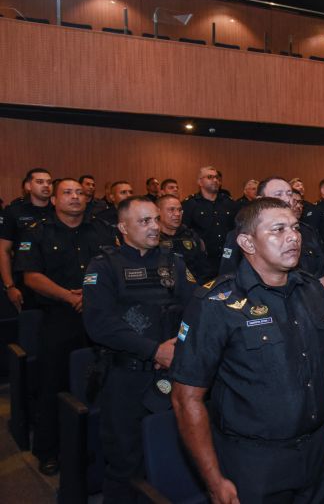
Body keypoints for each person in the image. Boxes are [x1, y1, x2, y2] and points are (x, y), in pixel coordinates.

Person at [170, 198, 324, 503]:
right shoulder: (216, 304)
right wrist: (214, 480)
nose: (293, 237)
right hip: (254, 461)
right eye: (278, 230)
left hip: (315, 450)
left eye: (294, 228)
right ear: (247, 242)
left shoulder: (313, 289)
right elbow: (187, 398)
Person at [82, 196, 195, 501]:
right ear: (122, 227)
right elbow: (100, 324)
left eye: (156, 219)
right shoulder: (103, 267)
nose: (154, 227)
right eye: (144, 221)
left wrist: (178, 345)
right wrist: (153, 350)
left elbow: (195, 309)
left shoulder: (173, 261)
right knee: (126, 464)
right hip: (126, 379)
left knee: (175, 455)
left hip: (173, 373)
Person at [14, 178, 109, 474]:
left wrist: (91, 295)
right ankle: (49, 450)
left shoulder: (101, 230)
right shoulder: (37, 233)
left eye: (80, 192)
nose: (75, 197)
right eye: (67, 192)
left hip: (98, 314)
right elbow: (31, 277)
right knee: (54, 383)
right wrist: (69, 296)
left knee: (102, 382)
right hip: (58, 317)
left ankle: (98, 448)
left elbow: (112, 267)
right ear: (54, 200)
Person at [219, 177, 324, 289]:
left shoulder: (306, 231)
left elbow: (320, 273)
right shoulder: (241, 236)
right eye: (278, 194)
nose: (287, 199)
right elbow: (228, 276)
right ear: (260, 199)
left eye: (289, 194)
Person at [0, 168, 53, 313]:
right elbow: (3, 250)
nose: (46, 185)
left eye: (49, 182)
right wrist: (9, 286)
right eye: (40, 182)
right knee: (31, 329)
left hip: (55, 280)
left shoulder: (58, 210)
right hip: (25, 282)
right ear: (28, 186)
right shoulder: (14, 212)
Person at [182, 166, 239, 274]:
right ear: (200, 182)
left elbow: (237, 228)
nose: (215, 180)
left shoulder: (229, 203)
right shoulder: (190, 204)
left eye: (217, 178)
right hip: (202, 262)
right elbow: (184, 230)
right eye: (210, 177)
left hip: (227, 259)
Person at [158, 194, 214, 284]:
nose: (177, 214)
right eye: (171, 210)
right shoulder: (152, 239)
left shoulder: (191, 236)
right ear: (158, 212)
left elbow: (204, 270)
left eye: (180, 210)